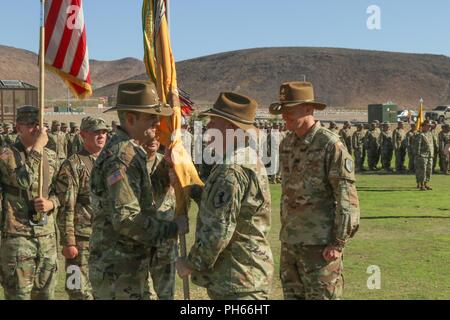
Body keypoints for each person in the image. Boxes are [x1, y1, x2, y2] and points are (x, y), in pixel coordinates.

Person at [88, 80, 188, 300]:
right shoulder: (122, 157)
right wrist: (171, 229)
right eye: (151, 117)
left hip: (128, 266)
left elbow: (140, 198)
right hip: (118, 271)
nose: (157, 123)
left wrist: (165, 172)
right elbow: (126, 219)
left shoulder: (131, 152)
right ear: (131, 119)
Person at [175, 92, 274, 300]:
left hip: (237, 280)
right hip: (243, 275)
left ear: (229, 128)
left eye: (214, 122)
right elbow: (225, 207)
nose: (209, 128)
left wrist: (191, 263)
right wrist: (189, 186)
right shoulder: (246, 158)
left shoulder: (231, 169)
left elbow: (219, 230)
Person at [269, 81, 360, 300]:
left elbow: (346, 198)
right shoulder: (287, 144)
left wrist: (338, 242)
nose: (284, 116)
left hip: (320, 247)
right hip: (290, 243)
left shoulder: (330, 144)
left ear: (309, 109)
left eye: (290, 110)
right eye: (283, 111)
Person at [0, 106, 60, 300]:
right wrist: (38, 149)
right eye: (31, 125)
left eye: (39, 124)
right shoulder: (6, 154)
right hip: (19, 237)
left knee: (45, 294)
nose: (37, 129)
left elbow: (62, 191)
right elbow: (22, 180)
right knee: (19, 295)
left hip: (46, 236)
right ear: (19, 128)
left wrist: (52, 203)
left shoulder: (51, 157)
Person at [55, 117, 108, 300]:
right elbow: (66, 206)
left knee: (105, 289)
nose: (101, 135)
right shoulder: (73, 164)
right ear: (83, 134)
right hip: (81, 239)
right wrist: (69, 241)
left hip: (106, 237)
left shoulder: (110, 161)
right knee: (78, 290)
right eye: (95, 132)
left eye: (103, 132)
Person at [142, 138, 178, 300]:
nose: (153, 139)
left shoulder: (168, 162)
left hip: (165, 237)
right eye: (149, 135)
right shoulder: (131, 164)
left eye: (158, 136)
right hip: (140, 236)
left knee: (166, 293)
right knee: (143, 292)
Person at [413, 120, 434, 190]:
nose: (429, 127)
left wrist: (432, 153)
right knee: (422, 170)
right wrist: (418, 155)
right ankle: (421, 184)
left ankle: (426, 183)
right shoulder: (419, 135)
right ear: (423, 127)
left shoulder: (430, 134)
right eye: (427, 126)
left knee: (429, 170)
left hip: (429, 155)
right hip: (422, 155)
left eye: (429, 126)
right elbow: (417, 146)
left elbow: (431, 145)